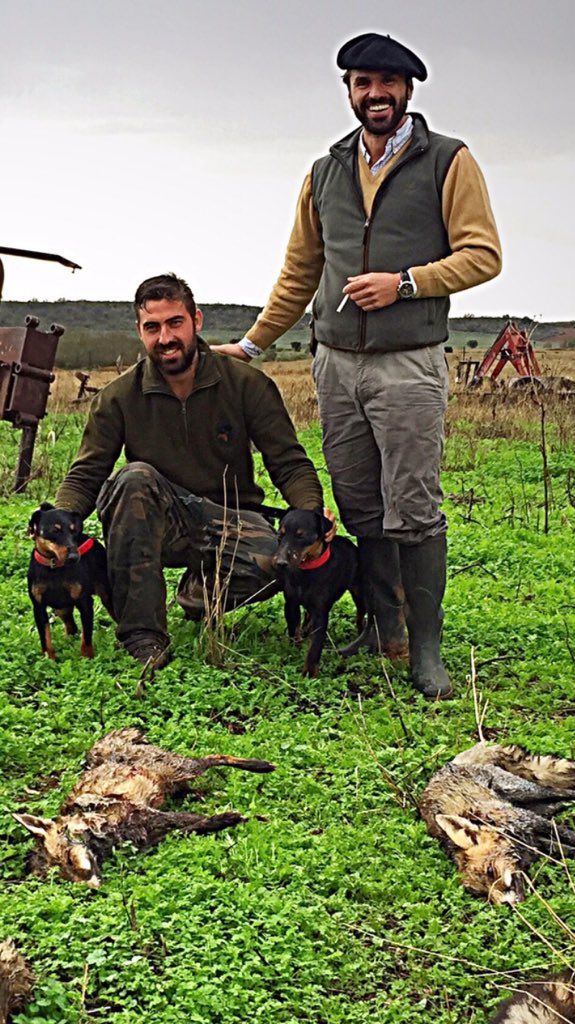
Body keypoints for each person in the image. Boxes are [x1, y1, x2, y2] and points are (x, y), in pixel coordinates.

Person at [216, 32, 502, 699]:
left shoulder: (448, 160)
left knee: (415, 508)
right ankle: (383, 629)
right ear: (348, 91)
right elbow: (300, 270)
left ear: (407, 90)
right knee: (359, 504)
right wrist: (252, 345)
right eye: (362, 83)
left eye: (386, 83)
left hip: (408, 362)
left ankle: (425, 651)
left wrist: (404, 284)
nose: (375, 94)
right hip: (335, 364)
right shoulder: (325, 172)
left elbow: (483, 254)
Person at [55, 273, 324, 668]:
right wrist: (59, 521)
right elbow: (86, 474)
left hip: (229, 517)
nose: (165, 338)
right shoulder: (118, 398)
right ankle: (143, 634)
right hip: (157, 520)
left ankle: (198, 592)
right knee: (134, 478)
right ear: (140, 331)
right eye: (152, 327)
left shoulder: (246, 384)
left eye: (175, 323)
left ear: (196, 320)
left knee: (280, 563)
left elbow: (288, 461)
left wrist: (311, 511)